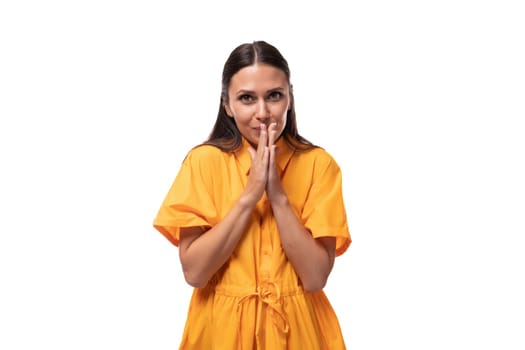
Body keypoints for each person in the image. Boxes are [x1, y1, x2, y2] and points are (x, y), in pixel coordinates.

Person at [153, 40, 352, 350]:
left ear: (289, 99)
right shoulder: (203, 162)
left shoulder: (318, 165)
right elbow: (195, 272)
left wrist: (278, 196)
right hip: (220, 333)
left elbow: (315, 278)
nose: (263, 112)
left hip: (300, 334)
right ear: (228, 105)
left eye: (274, 96)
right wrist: (249, 195)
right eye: (247, 98)